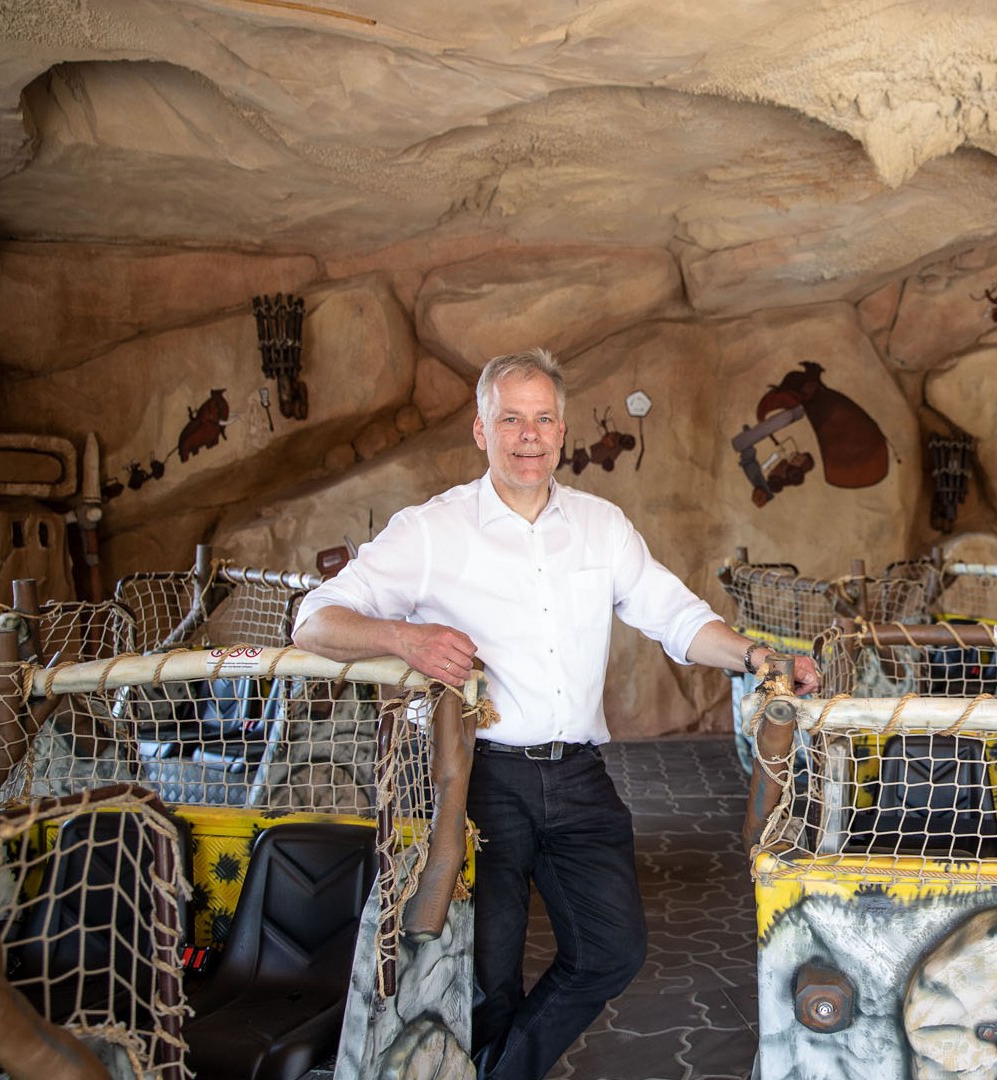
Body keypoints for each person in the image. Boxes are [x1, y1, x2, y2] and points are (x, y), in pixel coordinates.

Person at [291, 347, 820, 1080]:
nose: (528, 435)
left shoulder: (601, 526)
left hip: (578, 776)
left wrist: (757, 657)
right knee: (491, 976)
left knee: (613, 951)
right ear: (481, 431)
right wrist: (404, 637)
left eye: (542, 419)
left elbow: (675, 616)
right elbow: (313, 621)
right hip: (477, 779)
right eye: (510, 419)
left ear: (563, 430)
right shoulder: (430, 531)